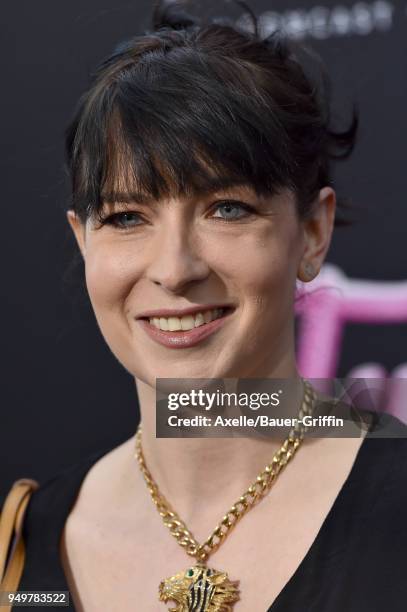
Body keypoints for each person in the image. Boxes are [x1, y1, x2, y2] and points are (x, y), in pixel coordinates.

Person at [9, 1, 407, 611]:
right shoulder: (22, 549)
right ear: (82, 241)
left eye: (227, 208)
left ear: (312, 232)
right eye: (126, 217)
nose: (174, 269)